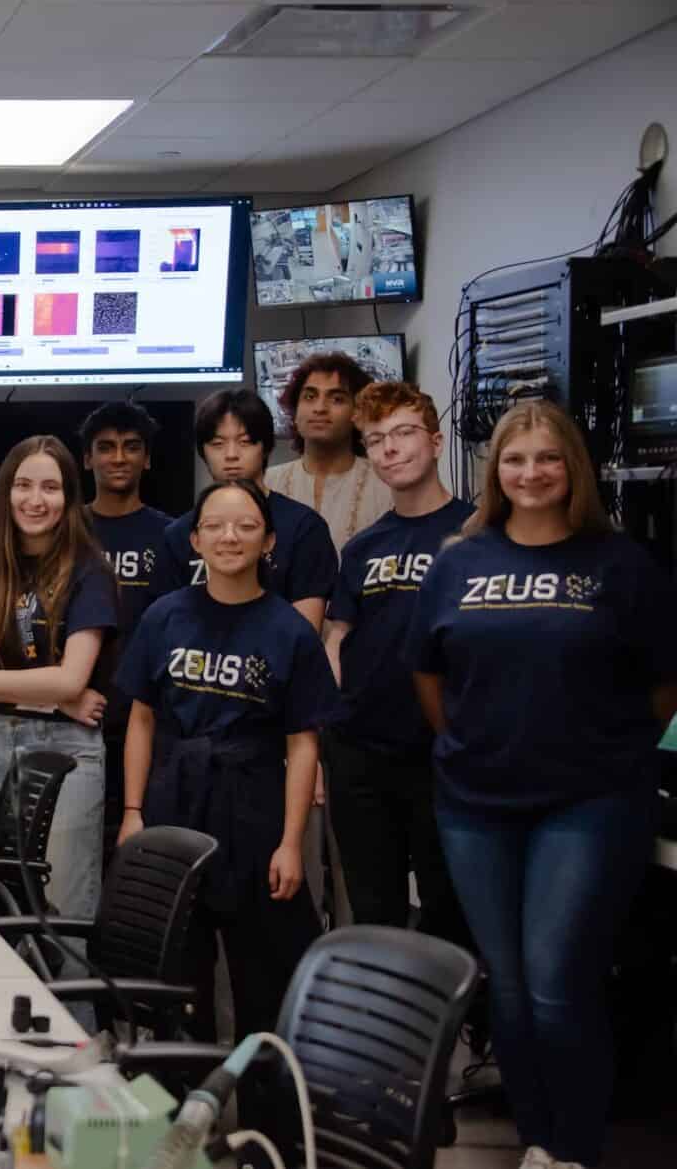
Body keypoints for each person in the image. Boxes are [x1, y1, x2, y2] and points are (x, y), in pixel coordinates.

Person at [409, 401, 677, 1169]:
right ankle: (537, 1143)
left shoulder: (620, 564)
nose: (531, 473)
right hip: (476, 805)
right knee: (513, 990)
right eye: (516, 459)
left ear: (574, 470)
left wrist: (604, 743)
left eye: (548, 458)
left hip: (589, 804)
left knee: (559, 982)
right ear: (496, 470)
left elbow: (665, 682)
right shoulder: (460, 560)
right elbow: (431, 676)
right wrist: (472, 743)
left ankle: (575, 1149)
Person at [117, 480, 337, 1041]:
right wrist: (133, 811)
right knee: (176, 974)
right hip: (176, 802)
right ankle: (180, 1111)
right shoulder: (164, 617)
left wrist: (292, 842)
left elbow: (302, 742)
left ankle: (266, 1118)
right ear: (194, 540)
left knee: (264, 976)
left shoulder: (290, 629)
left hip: (256, 808)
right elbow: (141, 719)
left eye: (245, 526)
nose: (229, 536)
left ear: (269, 542)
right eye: (214, 525)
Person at [320, 383, 471, 944]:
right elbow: (337, 639)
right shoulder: (363, 547)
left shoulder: (477, 534)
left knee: (449, 912)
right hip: (361, 754)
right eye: (375, 440)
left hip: (443, 754)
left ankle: (455, 1031)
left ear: (434, 441)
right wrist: (328, 731)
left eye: (403, 433)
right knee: (373, 910)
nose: (390, 449)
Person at [0, 435, 117, 927]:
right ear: (6, 493)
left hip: (66, 751)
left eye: (50, 487)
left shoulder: (90, 572)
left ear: (69, 497)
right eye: (23, 485)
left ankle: (71, 1009)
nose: (35, 499)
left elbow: (70, 678)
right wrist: (57, 699)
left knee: (62, 914)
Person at [149, 388, 338, 632]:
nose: (231, 455)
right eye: (217, 444)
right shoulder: (178, 535)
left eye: (245, 442)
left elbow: (304, 634)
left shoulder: (303, 527)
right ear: (203, 451)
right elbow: (164, 628)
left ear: (266, 447)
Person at [80, 401, 174, 853]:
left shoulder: (172, 535)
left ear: (148, 458)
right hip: (74, 711)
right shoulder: (67, 528)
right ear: (87, 458)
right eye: (106, 448)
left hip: (146, 716)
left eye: (131, 447)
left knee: (137, 849)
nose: (118, 458)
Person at [267, 351, 393, 552]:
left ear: (357, 413)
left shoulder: (387, 484)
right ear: (295, 411)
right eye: (309, 396)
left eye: (336, 399)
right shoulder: (266, 484)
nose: (320, 408)